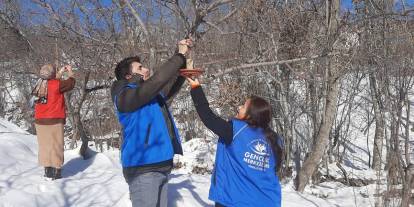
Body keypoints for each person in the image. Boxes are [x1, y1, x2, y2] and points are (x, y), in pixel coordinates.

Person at [111, 39, 191, 207]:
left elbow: (167, 84)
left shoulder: (150, 95)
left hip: (161, 165)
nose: (146, 69)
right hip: (143, 167)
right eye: (140, 68)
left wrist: (184, 67)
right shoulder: (124, 96)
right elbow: (158, 80)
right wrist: (179, 55)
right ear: (128, 76)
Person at [186, 77, 283, 207]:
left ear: (250, 115)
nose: (239, 107)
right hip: (268, 201)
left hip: (234, 200)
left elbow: (208, 117)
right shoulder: (274, 138)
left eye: (243, 106)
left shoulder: (234, 130)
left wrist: (196, 88)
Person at [32, 64, 76, 180]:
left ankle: (47, 169)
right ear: (52, 74)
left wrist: (60, 73)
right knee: (57, 144)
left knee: (44, 145)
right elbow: (71, 83)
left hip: (40, 120)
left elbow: (51, 82)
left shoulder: (38, 84)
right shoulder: (57, 85)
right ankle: (57, 170)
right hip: (55, 119)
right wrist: (70, 72)